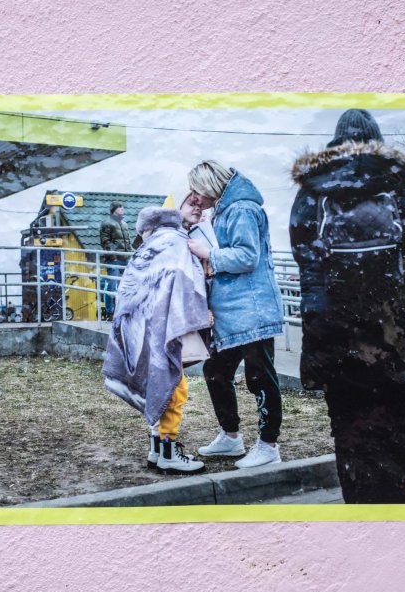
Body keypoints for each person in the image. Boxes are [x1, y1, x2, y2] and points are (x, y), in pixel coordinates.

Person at [289, 109, 405, 503]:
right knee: (398, 430)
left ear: (336, 142)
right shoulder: (399, 181)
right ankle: (398, 509)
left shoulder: (313, 189)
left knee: (351, 430)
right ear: (376, 138)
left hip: (338, 338)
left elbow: (306, 258)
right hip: (395, 333)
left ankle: (359, 505)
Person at [186, 161, 286, 469]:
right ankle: (231, 438)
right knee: (215, 371)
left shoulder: (241, 209)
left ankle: (269, 446)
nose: (193, 197)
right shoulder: (226, 209)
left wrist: (207, 253)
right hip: (236, 312)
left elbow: (247, 256)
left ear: (210, 185)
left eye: (196, 190)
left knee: (260, 377)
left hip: (253, 310)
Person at [103, 206, 211, 474]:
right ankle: (168, 452)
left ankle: (156, 449)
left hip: (140, 328)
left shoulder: (146, 249)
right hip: (166, 325)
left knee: (155, 382)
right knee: (173, 386)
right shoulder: (176, 243)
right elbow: (187, 281)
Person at [98, 201, 133, 320]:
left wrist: (131, 254)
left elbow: (127, 241)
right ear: (114, 209)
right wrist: (113, 256)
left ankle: (123, 311)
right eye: (120, 207)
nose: (123, 209)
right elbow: (105, 242)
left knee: (127, 286)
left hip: (125, 259)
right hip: (114, 260)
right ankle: (109, 312)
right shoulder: (107, 223)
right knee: (112, 286)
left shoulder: (124, 223)